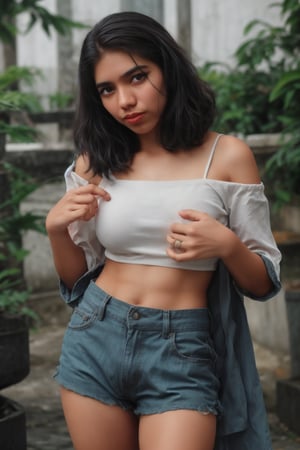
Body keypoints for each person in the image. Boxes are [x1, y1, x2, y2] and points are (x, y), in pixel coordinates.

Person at [46, 11, 281, 450]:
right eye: (107, 90)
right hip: (96, 333)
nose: (125, 101)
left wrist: (226, 244)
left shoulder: (226, 156)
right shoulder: (94, 164)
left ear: (167, 68)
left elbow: (263, 282)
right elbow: (76, 280)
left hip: (182, 349)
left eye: (137, 77)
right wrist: (57, 232)